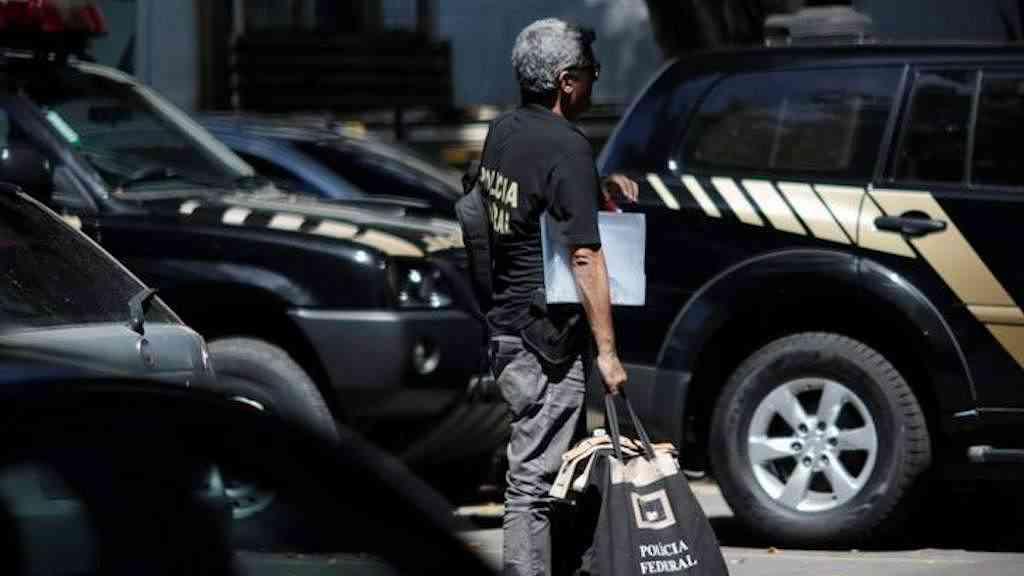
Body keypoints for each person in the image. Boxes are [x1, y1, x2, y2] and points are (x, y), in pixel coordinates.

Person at [480, 18, 638, 576]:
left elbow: (530, 206)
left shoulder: (503, 131)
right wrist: (608, 353)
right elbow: (584, 256)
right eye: (591, 73)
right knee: (533, 484)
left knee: (551, 479)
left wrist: (600, 190)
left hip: (508, 331)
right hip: (543, 343)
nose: (595, 82)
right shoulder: (566, 144)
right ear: (566, 81)